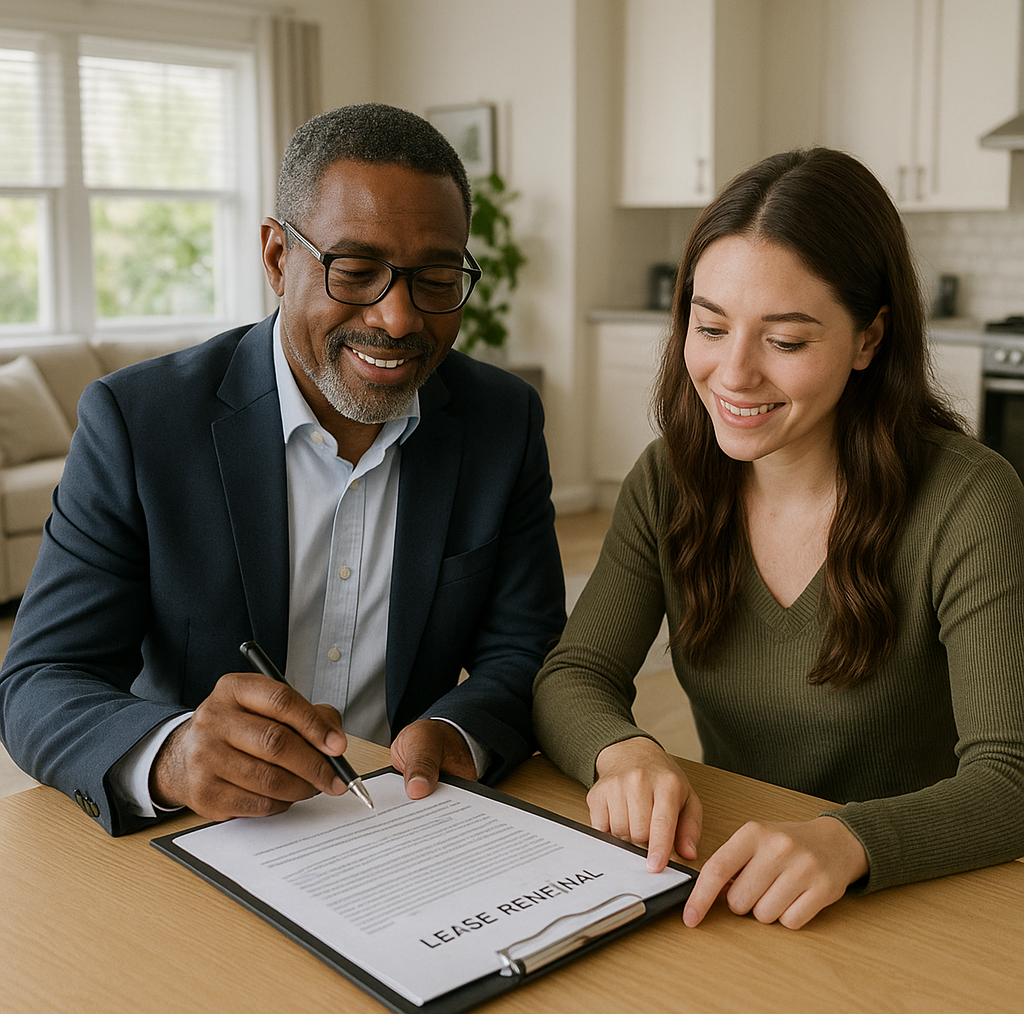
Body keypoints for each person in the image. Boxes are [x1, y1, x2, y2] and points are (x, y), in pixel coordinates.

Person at [0, 103, 565, 836]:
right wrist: (174, 754)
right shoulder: (136, 423)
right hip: (196, 836)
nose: (399, 319)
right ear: (276, 258)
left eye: (435, 278)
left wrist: (458, 733)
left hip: (405, 821)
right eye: (357, 271)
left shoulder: (503, 420)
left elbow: (528, 649)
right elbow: (40, 683)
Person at [533, 147, 1024, 930]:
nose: (733, 374)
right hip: (737, 883)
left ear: (868, 340)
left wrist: (848, 840)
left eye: (785, 341)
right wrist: (624, 752)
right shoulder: (668, 479)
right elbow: (574, 674)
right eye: (709, 326)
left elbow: (1010, 778)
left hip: (915, 897)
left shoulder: (971, 500)